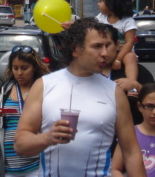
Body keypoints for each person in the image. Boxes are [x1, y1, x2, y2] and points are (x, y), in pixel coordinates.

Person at [14, 17, 145, 177]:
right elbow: (20, 144)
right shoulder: (44, 85)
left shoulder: (114, 92)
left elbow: (131, 152)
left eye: (106, 46)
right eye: (97, 46)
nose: (105, 53)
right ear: (76, 49)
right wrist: (46, 138)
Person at [0, 46, 50, 177]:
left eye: (24, 68)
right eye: (15, 68)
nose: (19, 73)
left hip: (37, 166)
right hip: (9, 169)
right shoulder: (4, 91)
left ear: (34, 67)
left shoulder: (43, 90)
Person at [94, 0, 139, 83]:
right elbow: (90, 27)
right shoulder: (101, 18)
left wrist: (118, 59)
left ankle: (132, 83)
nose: (98, 4)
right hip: (105, 50)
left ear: (112, 3)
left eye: (101, 1)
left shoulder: (127, 21)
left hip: (122, 52)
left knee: (130, 57)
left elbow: (129, 42)